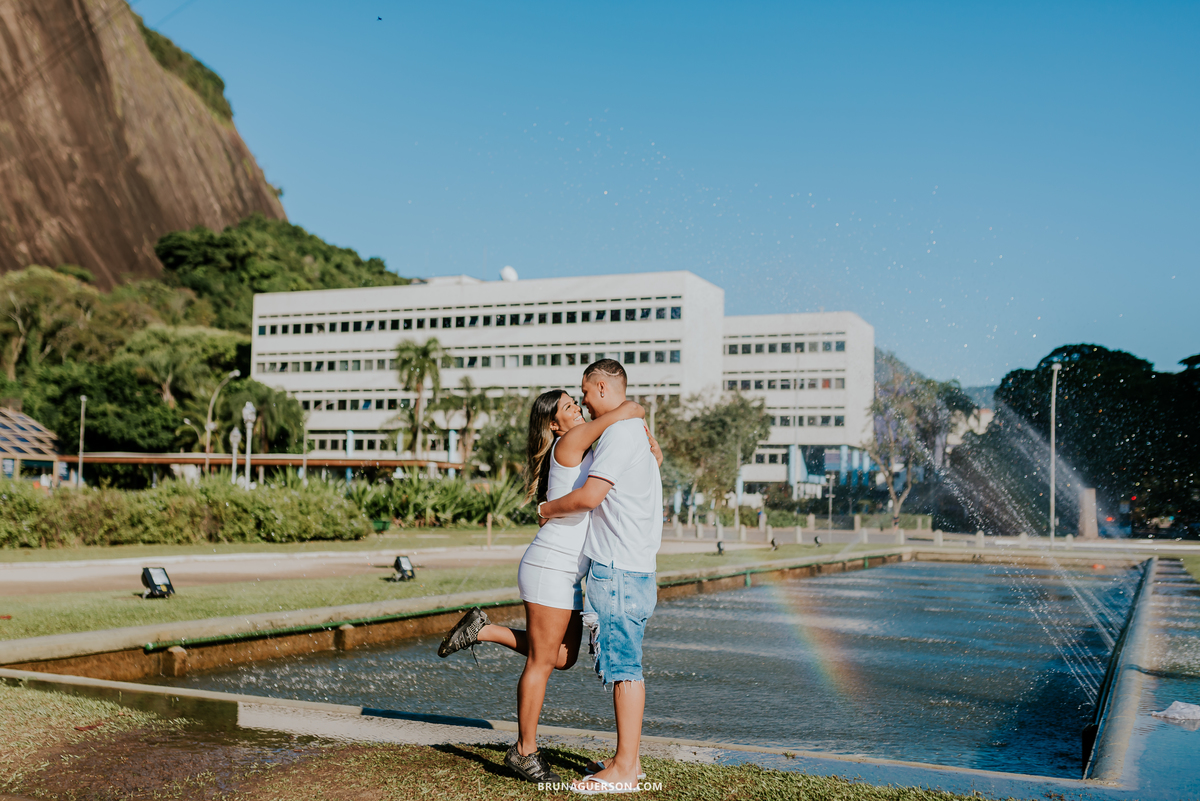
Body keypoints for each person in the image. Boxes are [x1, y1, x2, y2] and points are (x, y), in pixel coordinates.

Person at [436, 388, 650, 784]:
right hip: (550, 565)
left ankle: (482, 629)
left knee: (563, 656)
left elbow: (626, 447)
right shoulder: (568, 444)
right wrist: (631, 409)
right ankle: (524, 751)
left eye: (577, 401)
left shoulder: (587, 452)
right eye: (570, 406)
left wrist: (642, 431)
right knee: (541, 662)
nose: (580, 408)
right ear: (555, 424)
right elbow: (613, 421)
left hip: (567, 572)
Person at [537, 359, 663, 795]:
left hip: (619, 568)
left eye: (586, 393)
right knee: (623, 662)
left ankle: (625, 769)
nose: (585, 401)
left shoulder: (618, 434)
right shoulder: (634, 433)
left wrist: (546, 510)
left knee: (624, 667)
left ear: (603, 387)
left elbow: (591, 496)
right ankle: (627, 759)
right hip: (636, 567)